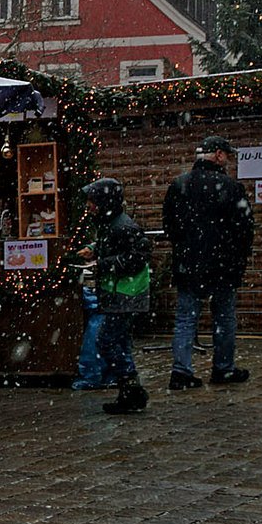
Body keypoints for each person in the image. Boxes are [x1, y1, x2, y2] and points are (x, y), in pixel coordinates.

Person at [162, 135, 254, 389]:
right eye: (227, 155)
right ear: (219, 155)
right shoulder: (231, 187)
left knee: (185, 318)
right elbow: (244, 229)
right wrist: (237, 258)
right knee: (223, 317)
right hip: (223, 265)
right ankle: (223, 368)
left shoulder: (179, 184)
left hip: (188, 264)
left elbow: (169, 226)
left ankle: (181, 372)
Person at [80, 177, 152, 415]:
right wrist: (94, 248)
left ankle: (130, 386)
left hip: (125, 293)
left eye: (92, 200)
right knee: (118, 342)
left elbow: (136, 257)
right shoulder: (110, 223)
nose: (88, 206)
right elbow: (118, 248)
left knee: (107, 341)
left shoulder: (122, 226)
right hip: (120, 292)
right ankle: (129, 391)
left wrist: (103, 264)